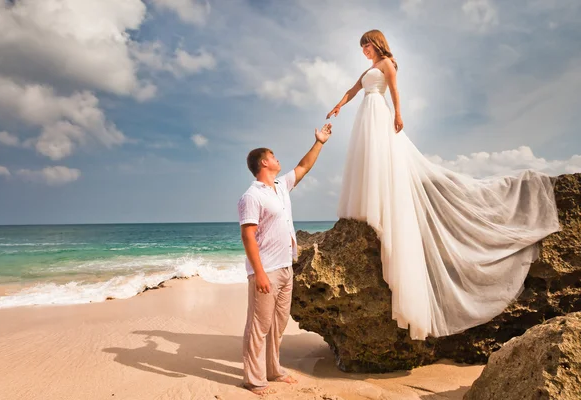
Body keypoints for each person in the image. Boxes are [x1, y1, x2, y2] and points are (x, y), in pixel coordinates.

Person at [326, 29, 560, 340]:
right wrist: (339, 105)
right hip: (364, 114)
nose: (363, 51)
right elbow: (353, 89)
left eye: (365, 45)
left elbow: (395, 91)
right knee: (365, 155)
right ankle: (367, 205)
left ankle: (381, 204)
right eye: (361, 47)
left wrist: (398, 115)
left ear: (375, 42)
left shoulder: (387, 64)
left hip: (379, 113)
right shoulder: (368, 70)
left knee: (382, 156)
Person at [238, 123, 332, 395]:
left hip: (285, 267)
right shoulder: (251, 196)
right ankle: (254, 380)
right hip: (265, 270)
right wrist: (260, 274)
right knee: (259, 326)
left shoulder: (280, 186)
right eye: (274, 155)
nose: (279, 159)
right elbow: (248, 237)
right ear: (264, 162)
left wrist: (320, 142)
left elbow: (303, 167)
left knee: (278, 324)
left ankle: (273, 369)